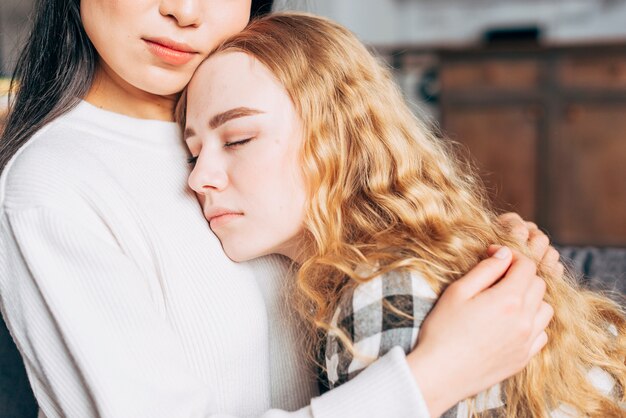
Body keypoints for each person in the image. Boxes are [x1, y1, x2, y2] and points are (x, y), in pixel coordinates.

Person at [0, 1, 556, 417]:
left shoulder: (260, 97)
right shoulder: (52, 184)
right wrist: (436, 373)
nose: (185, 12)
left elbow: (361, 227)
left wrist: (478, 261)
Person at [181, 12, 626, 417]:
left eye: (237, 139)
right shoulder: (385, 265)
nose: (199, 179)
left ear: (337, 138)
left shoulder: (384, 294)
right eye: (191, 154)